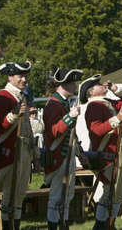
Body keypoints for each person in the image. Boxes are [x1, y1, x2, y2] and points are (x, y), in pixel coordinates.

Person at [81, 74, 122, 230]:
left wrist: (116, 89)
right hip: (105, 153)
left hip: (115, 153)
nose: (102, 84)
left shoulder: (107, 103)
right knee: (110, 191)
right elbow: (96, 131)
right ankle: (102, 225)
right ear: (90, 91)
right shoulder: (94, 106)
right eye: (97, 84)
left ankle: (107, 224)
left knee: (116, 191)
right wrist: (116, 119)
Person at [0, 61, 34, 230]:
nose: (24, 79)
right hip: (10, 155)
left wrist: (34, 155)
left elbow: (27, 129)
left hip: (23, 153)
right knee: (9, 198)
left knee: (18, 198)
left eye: (25, 76)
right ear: (10, 77)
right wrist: (14, 115)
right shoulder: (2, 96)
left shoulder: (21, 96)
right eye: (20, 76)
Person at [42, 68, 83, 229]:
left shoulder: (64, 103)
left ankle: (62, 223)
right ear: (63, 85)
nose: (75, 86)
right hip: (58, 155)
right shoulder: (54, 104)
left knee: (66, 195)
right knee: (57, 196)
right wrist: (69, 117)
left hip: (66, 154)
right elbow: (53, 131)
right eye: (72, 83)